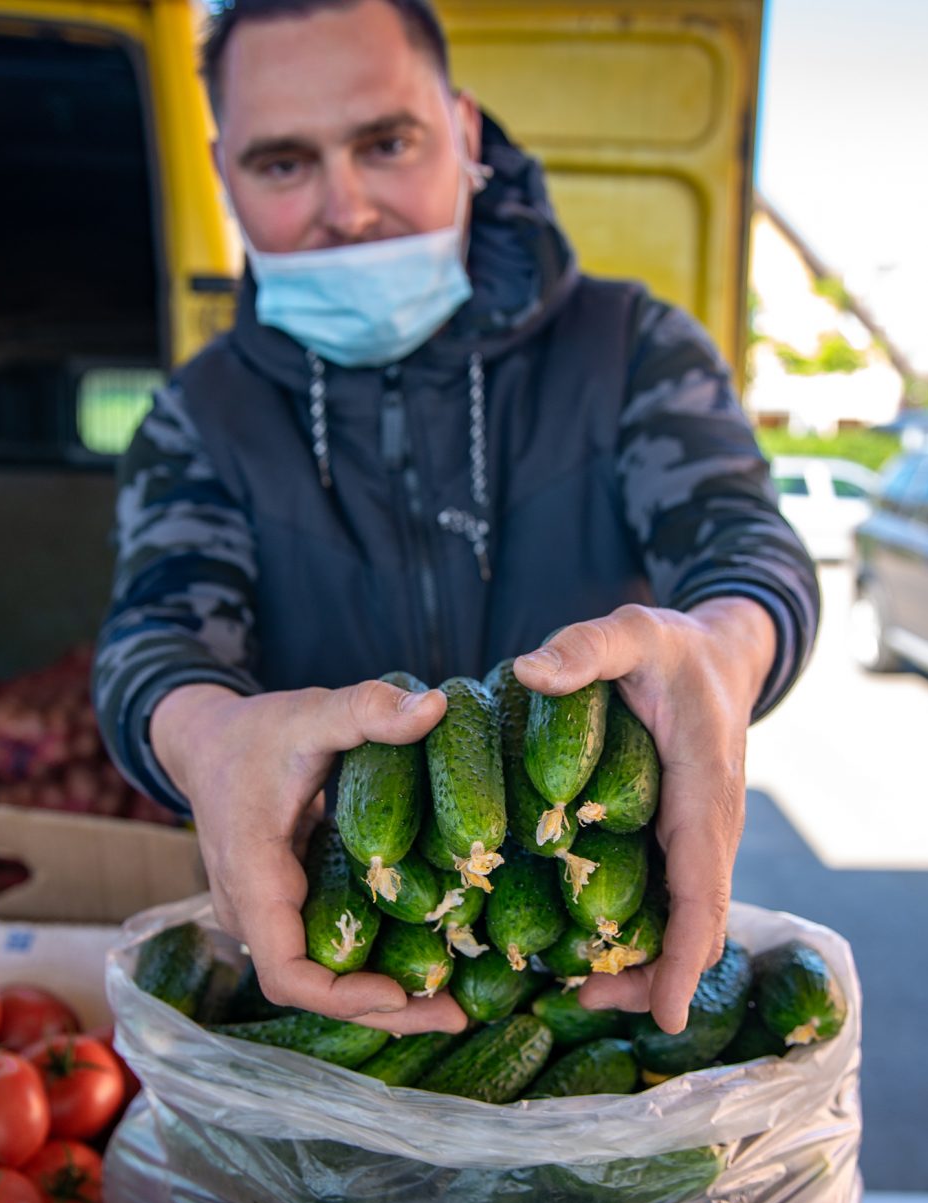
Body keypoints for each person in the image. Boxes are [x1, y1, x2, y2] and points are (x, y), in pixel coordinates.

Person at [93, 0, 819, 1041]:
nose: (346, 208)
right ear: (225, 171)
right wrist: (205, 735)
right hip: (356, 966)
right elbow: (154, 637)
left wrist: (722, 645)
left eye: (386, 143)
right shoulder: (200, 416)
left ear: (465, 132)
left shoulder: (631, 349)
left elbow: (746, 552)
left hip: (599, 954)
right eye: (283, 163)